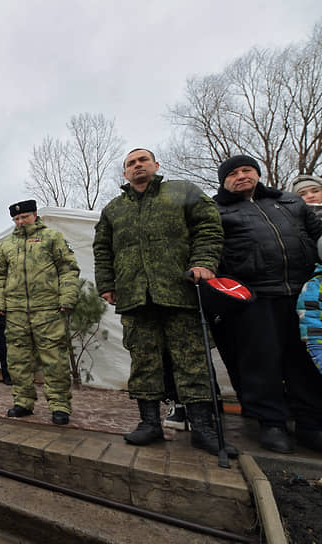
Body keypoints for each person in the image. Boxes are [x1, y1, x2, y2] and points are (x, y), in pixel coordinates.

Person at [93, 148, 236, 456]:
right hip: (135, 297)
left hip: (179, 291)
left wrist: (204, 262)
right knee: (144, 362)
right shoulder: (114, 209)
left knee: (192, 361)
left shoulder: (181, 191)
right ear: (125, 173)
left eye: (143, 160)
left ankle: (202, 428)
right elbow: (102, 249)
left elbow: (209, 226)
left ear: (156, 165)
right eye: (130, 163)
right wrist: (106, 284)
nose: (137, 166)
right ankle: (149, 424)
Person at [212, 155, 322, 453]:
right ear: (224, 181)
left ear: (257, 174)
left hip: (302, 295)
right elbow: (209, 251)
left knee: (306, 361)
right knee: (261, 362)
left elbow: (318, 236)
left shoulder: (289, 202)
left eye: (247, 170)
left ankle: (310, 424)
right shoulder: (217, 211)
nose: (241, 176)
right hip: (255, 297)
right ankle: (271, 423)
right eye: (233, 173)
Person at [0, 200, 80, 423]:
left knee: (54, 360)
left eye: (24, 217)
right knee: (18, 359)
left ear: (35, 215)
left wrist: (68, 297)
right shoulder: (7, 245)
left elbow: (68, 269)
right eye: (16, 219)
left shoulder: (52, 237)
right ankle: (23, 402)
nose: (20, 222)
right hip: (16, 313)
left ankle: (60, 406)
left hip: (48, 310)